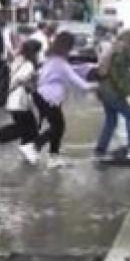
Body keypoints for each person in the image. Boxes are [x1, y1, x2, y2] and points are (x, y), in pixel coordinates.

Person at [33, 31, 95, 167]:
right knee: (58, 127)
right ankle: (39, 148)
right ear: (67, 46)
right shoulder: (60, 63)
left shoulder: (52, 58)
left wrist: (84, 68)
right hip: (49, 98)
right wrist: (96, 86)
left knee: (57, 127)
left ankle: (48, 154)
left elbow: (68, 71)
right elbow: (79, 83)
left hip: (42, 96)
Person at [0, 38, 43, 163]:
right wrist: (30, 82)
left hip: (15, 100)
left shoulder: (18, 60)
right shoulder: (29, 65)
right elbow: (19, 79)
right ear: (34, 52)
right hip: (18, 100)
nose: (39, 55)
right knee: (23, 128)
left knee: (31, 128)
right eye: (38, 52)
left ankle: (28, 154)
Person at [94, 29, 130, 162]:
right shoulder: (121, 52)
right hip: (113, 92)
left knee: (111, 120)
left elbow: (123, 73)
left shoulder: (113, 48)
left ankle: (100, 150)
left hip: (103, 90)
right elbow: (120, 76)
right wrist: (128, 94)